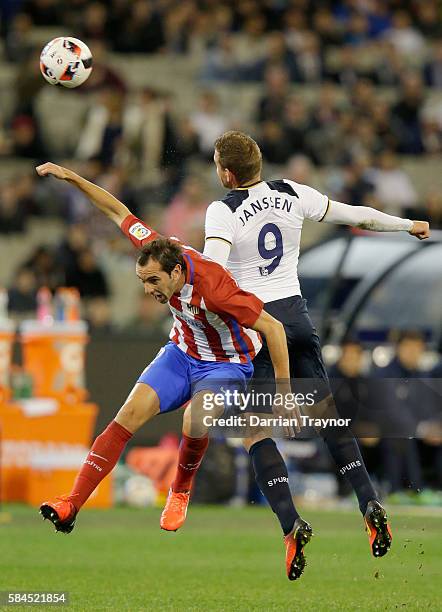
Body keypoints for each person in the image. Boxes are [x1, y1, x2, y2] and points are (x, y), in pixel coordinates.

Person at [163, 131, 430, 572]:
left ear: (226, 173)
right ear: (259, 163)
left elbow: (211, 270)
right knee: (326, 416)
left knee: (256, 432)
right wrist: (407, 225)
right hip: (299, 322)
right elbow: (355, 215)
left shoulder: (222, 209)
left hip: (258, 327)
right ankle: (369, 503)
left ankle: (291, 526)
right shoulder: (291, 192)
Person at [34, 161, 310, 578]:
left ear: (178, 272)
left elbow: (272, 328)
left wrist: (286, 393)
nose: (148, 291)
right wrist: (72, 178)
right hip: (181, 354)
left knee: (195, 419)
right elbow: (117, 211)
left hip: (226, 365)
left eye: (153, 282)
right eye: (144, 281)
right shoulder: (160, 249)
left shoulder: (218, 288)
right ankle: (71, 503)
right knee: (126, 414)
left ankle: (180, 491)